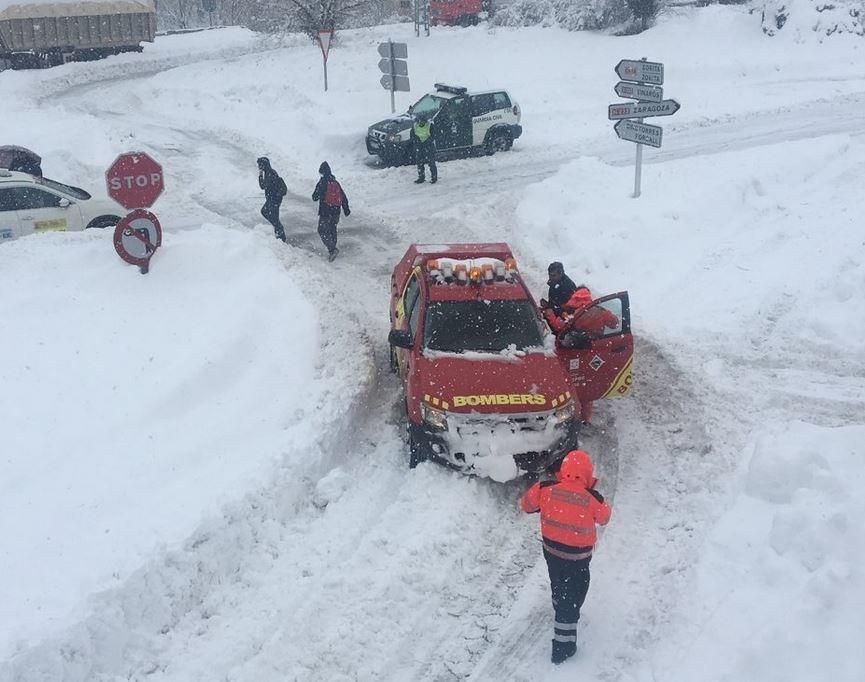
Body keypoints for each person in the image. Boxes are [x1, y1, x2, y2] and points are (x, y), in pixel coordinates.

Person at [520, 449, 611, 665]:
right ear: (587, 475)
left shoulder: (546, 489)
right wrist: (593, 495)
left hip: (552, 552)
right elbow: (604, 517)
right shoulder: (591, 498)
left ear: (563, 472)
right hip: (578, 557)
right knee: (576, 591)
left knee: (558, 580)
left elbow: (526, 505)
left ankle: (560, 602)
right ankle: (563, 647)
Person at [545, 286, 619, 424]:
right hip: (595, 352)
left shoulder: (576, 314)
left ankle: (575, 417)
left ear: (576, 297)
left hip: (575, 353)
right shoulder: (600, 311)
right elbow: (615, 324)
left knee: (574, 385)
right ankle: (585, 419)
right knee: (588, 387)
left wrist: (549, 313)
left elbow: (559, 327)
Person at [312, 161, 350, 261]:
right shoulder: (335, 182)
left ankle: (332, 249)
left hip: (326, 211)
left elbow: (314, 197)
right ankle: (333, 247)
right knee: (332, 228)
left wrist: (320, 193)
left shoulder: (322, 182)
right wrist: (346, 209)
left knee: (322, 230)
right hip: (336, 211)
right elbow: (343, 196)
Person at [257, 157, 287, 242]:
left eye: (259, 165)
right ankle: (278, 230)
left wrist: (260, 175)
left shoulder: (270, 173)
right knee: (265, 211)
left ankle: (281, 237)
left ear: (263, 165)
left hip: (274, 199)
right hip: (272, 198)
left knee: (273, 217)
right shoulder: (269, 172)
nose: (258, 167)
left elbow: (263, 186)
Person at [411, 112, 437, 184]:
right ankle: (421, 177)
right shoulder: (415, 126)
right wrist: (417, 141)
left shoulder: (430, 125)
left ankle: (434, 178)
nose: (421, 122)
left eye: (422, 121)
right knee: (419, 163)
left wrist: (427, 142)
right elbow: (412, 136)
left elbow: (433, 136)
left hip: (428, 146)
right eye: (420, 121)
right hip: (419, 146)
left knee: (431, 163)